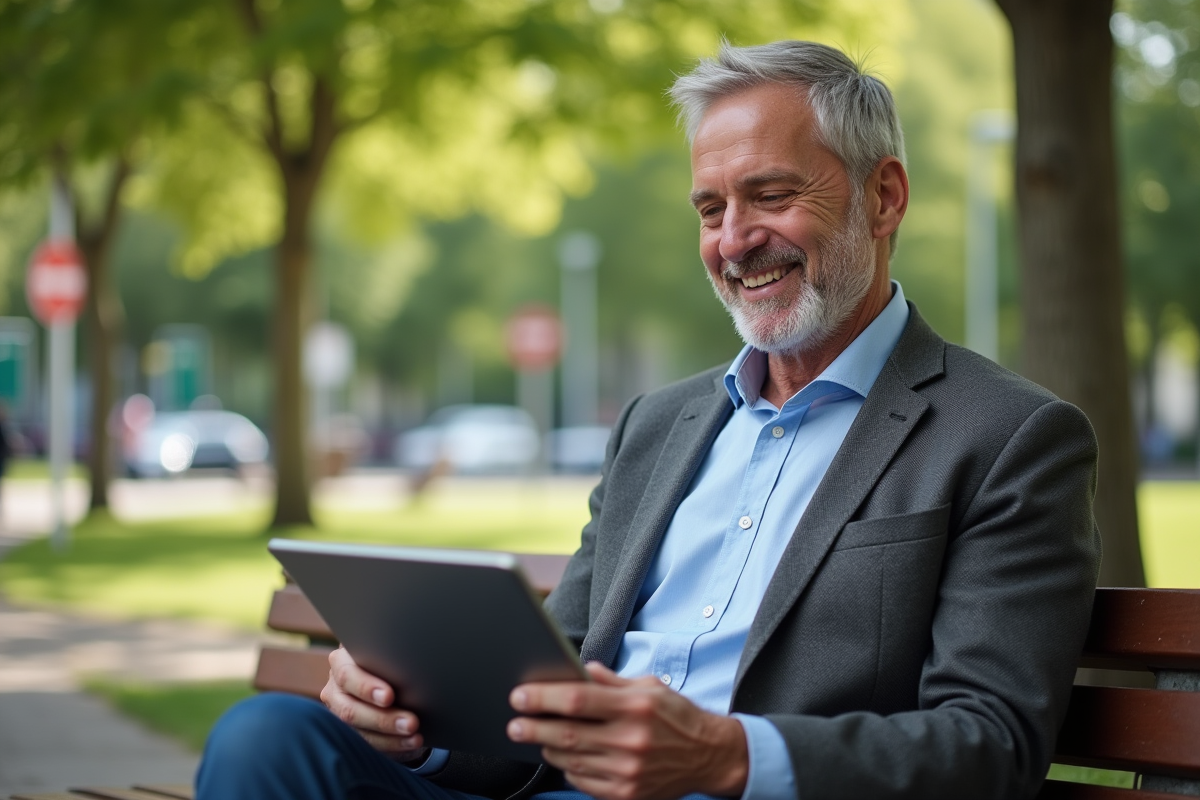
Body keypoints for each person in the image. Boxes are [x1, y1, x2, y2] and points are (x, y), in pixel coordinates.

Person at [197, 40, 1101, 800]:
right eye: (711, 208)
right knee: (269, 736)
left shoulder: (1007, 438)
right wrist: (410, 719)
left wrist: (727, 755)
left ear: (884, 196)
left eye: (771, 195)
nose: (733, 240)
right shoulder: (658, 425)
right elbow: (541, 698)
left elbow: (991, 743)